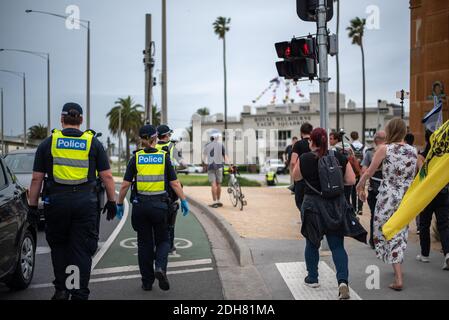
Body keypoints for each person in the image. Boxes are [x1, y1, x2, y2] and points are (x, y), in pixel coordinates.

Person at [28, 103, 117, 300]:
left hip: (56, 203)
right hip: (84, 205)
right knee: (80, 250)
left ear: (62, 120)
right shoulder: (93, 143)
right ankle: (77, 292)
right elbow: (108, 177)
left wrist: (32, 207)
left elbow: (36, 179)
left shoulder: (48, 143)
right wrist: (112, 201)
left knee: (59, 246)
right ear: (81, 120)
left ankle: (61, 289)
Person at [293, 128, 364, 300]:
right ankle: (342, 282)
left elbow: (296, 178)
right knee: (337, 246)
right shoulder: (338, 157)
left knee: (312, 243)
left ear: (313, 142)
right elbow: (351, 180)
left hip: (312, 207)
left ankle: (313, 278)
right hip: (335, 206)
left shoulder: (305, 158)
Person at [116, 125, 189, 292]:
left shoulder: (136, 158)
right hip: (160, 206)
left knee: (144, 244)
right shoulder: (163, 157)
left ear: (141, 139)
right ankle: (160, 268)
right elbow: (174, 183)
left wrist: (119, 203)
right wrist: (183, 200)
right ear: (155, 139)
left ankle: (147, 282)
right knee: (163, 240)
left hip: (140, 207)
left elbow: (125, 185)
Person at [357, 118, 419, 291]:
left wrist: (360, 185)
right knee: (399, 229)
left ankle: (398, 276)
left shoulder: (385, 148)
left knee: (385, 230)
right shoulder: (413, 151)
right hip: (406, 197)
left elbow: (369, 171)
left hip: (388, 197)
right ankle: (397, 264)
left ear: (390, 131)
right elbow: (416, 174)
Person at [416, 130, 449, 269]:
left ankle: (425, 254)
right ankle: (447, 254)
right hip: (444, 192)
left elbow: (421, 174)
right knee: (444, 224)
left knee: (424, 224)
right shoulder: (445, 154)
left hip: (428, 194)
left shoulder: (423, 156)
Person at [156, 125, 185, 255]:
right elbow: (182, 163)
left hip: (154, 187)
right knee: (171, 215)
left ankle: (157, 243)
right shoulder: (173, 147)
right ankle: (170, 245)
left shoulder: (153, 147)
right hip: (170, 188)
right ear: (167, 135)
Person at [361, 131, 386, 249]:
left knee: (374, 215)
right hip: (387, 190)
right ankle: (384, 239)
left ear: (375, 140)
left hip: (374, 189)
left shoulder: (369, 153)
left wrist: (361, 188)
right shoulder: (391, 151)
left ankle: (373, 240)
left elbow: (364, 171)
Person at [329, 131, 361, 205]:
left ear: (336, 140)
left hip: (339, 176)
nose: (329, 140)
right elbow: (353, 157)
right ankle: (352, 210)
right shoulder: (348, 146)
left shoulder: (333, 149)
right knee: (350, 195)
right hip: (350, 173)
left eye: (331, 139)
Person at [203, 133, 229, 208]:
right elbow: (225, 156)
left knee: (213, 184)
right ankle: (218, 200)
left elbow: (204, 157)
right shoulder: (221, 145)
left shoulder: (207, 146)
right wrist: (229, 165)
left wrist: (204, 165)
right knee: (219, 184)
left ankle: (214, 202)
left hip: (211, 166)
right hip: (219, 167)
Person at [290, 123, 313, 210]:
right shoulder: (314, 143)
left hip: (301, 178)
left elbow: (293, 162)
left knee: (300, 201)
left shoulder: (298, 144)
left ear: (301, 132)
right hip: (314, 178)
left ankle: (305, 219)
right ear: (311, 131)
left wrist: (294, 176)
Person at [350, 131, 365, 215]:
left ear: (351, 137)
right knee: (360, 189)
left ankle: (354, 208)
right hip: (361, 171)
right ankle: (360, 208)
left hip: (352, 171)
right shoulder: (364, 147)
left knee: (353, 191)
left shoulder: (350, 147)